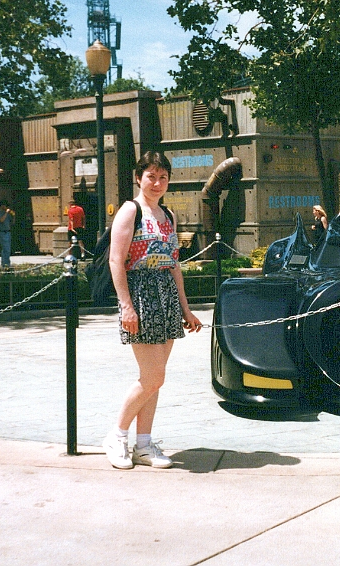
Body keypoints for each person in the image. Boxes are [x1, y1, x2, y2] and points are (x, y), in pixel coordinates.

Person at [103, 151, 202, 470]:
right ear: (138, 178)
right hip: (140, 294)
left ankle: (143, 445)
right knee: (153, 375)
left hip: (166, 295)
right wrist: (126, 305)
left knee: (155, 379)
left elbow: (174, 264)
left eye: (163, 177)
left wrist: (186, 309)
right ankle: (117, 436)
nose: (157, 183)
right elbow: (116, 260)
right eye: (151, 176)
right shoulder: (129, 211)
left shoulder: (168, 215)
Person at [0, 200, 15, 268]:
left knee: (7, 249)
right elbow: (1, 220)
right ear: (2, 206)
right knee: (6, 249)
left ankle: (6, 263)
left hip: (8, 232)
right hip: (2, 232)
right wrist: (6, 213)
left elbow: (12, 222)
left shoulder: (7, 213)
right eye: (5, 206)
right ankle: (5, 264)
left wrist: (13, 215)